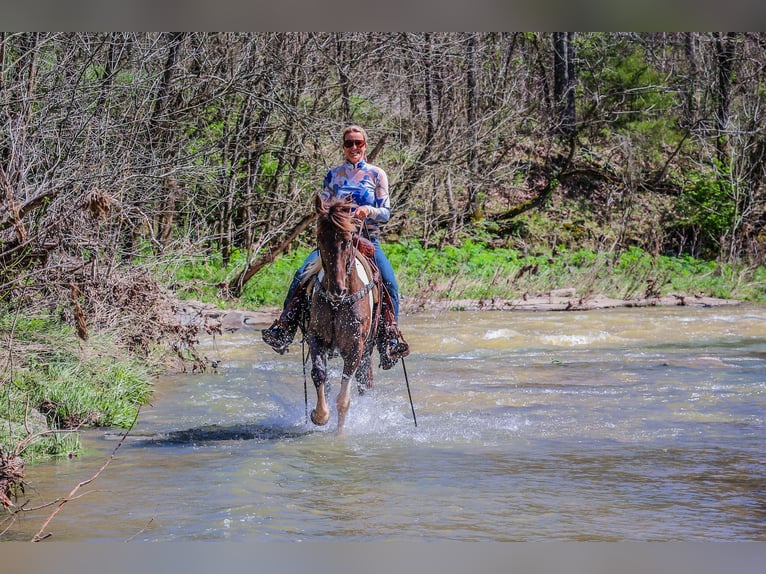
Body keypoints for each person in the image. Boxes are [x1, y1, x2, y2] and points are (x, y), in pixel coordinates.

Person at [262, 125, 409, 369]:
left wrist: (367, 210)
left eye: (358, 143)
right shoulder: (333, 175)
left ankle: (390, 339)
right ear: (343, 146)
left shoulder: (376, 174)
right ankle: (284, 328)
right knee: (301, 275)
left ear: (365, 146)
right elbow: (323, 209)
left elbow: (385, 212)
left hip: (367, 241)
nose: (354, 147)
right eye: (349, 143)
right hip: (335, 242)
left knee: (390, 283)